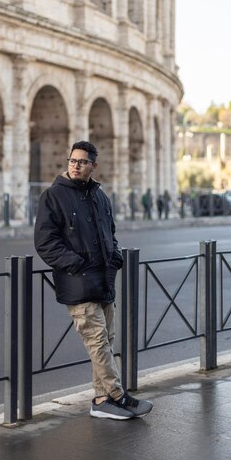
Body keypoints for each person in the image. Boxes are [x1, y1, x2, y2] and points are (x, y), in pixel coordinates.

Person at [34, 141, 153, 421]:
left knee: (107, 342)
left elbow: (110, 233)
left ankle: (101, 401)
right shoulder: (53, 196)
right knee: (98, 341)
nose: (75, 165)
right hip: (77, 283)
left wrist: (115, 258)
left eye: (82, 162)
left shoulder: (100, 197)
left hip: (103, 281)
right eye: (72, 160)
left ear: (93, 166)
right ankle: (118, 396)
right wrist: (76, 264)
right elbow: (45, 242)